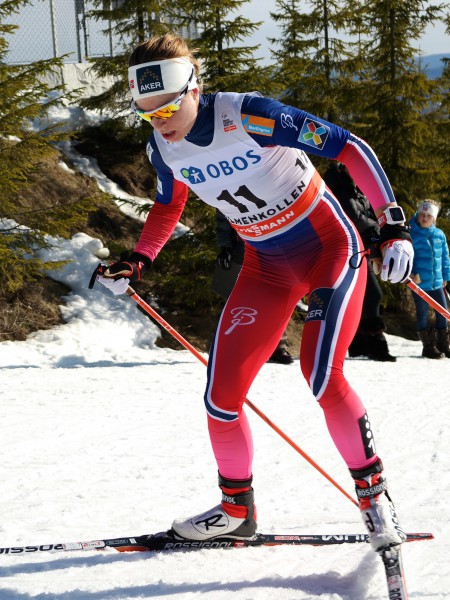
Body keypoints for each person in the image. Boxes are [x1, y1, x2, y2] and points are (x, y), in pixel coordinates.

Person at [94, 33, 414, 553]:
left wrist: (392, 224)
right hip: (265, 267)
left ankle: (374, 497)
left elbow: (350, 148)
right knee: (221, 398)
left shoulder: (249, 116)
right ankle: (236, 510)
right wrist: (138, 259)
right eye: (146, 112)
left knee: (320, 373)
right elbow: (168, 204)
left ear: (194, 87)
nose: (160, 121)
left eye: (168, 107)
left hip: (329, 247)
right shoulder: (160, 145)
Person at [323, 163, 396, 362]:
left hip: (361, 248)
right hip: (343, 249)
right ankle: (375, 343)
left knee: (364, 296)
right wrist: (375, 225)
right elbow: (354, 217)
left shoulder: (359, 189)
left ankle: (358, 344)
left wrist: (377, 234)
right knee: (372, 295)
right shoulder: (339, 188)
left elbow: (371, 216)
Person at [214, 209, 294, 364]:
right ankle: (238, 348)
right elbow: (222, 219)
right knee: (240, 302)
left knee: (274, 299)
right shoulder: (226, 189)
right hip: (241, 250)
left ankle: (277, 348)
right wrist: (225, 247)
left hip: (271, 248)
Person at [409, 199, 450, 358]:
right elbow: (407, 256)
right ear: (418, 216)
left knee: (443, 312)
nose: (424, 218)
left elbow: (445, 257)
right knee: (423, 314)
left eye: (428, 215)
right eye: (422, 215)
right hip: (419, 284)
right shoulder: (411, 233)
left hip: (437, 283)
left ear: (434, 218)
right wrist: (410, 273)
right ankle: (428, 347)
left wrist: (446, 276)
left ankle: (443, 344)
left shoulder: (439, 234)